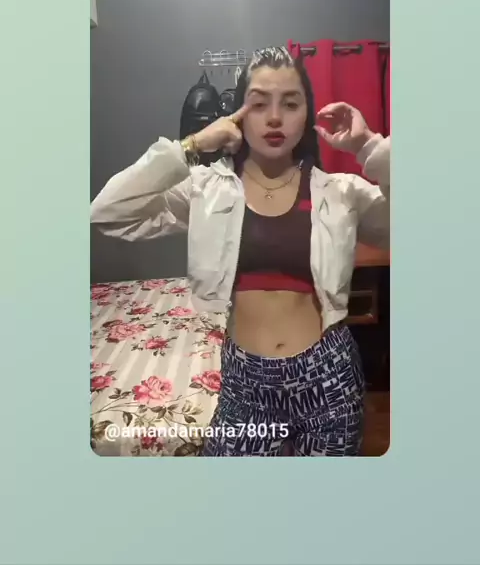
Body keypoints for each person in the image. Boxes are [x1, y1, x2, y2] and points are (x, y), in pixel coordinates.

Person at [90, 46, 390, 456]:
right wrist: (192, 145)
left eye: (290, 103)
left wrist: (369, 147)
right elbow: (107, 213)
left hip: (328, 378)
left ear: (308, 114)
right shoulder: (206, 189)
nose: (274, 117)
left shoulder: (339, 192)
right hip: (245, 382)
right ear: (237, 114)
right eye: (259, 103)